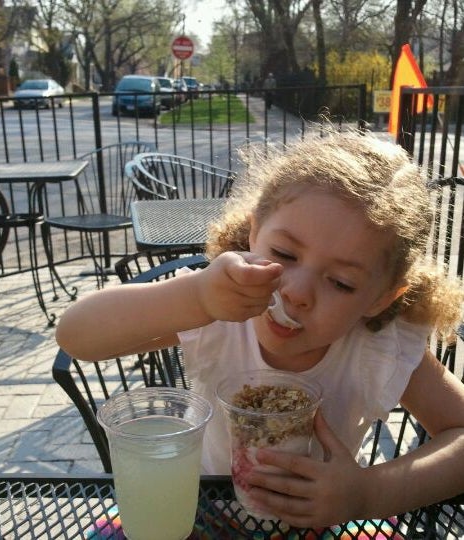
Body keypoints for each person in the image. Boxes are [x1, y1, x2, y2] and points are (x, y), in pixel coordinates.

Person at [56, 131, 464, 529]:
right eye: (284, 254)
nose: (298, 293)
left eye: (341, 282)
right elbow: (76, 335)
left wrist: (369, 494)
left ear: (381, 298)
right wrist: (196, 298)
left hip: (323, 518)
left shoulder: (378, 348)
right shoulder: (219, 314)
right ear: (254, 234)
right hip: (202, 510)